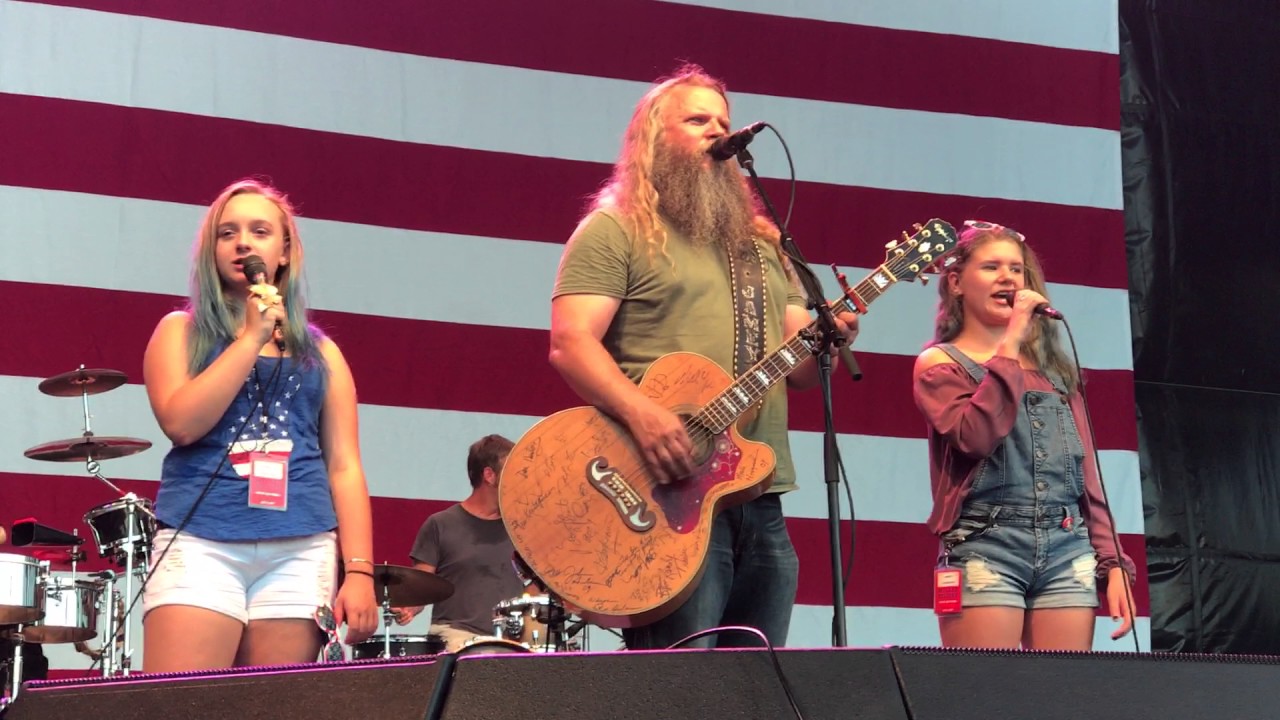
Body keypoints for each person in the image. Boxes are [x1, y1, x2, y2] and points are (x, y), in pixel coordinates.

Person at [547, 64, 858, 650]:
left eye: (724, 121)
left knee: (757, 689)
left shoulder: (765, 247)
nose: (718, 131)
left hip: (758, 496)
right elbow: (570, 343)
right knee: (683, 691)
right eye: (698, 120)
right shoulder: (617, 229)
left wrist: (830, 338)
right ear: (652, 138)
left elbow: (799, 372)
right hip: (661, 491)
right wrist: (644, 415)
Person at [140, 179, 377, 672]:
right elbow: (182, 424)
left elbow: (345, 466)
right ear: (212, 251)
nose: (243, 242)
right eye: (228, 233)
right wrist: (250, 338)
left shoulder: (323, 353)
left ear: (284, 251)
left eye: (260, 230)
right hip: (201, 539)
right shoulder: (178, 331)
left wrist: (359, 571)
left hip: (300, 546)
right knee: (180, 705)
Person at [912, 220, 1136, 650]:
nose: (1008, 278)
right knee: (988, 695)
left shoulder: (1054, 372)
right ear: (956, 283)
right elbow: (976, 436)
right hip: (986, 546)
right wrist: (1012, 340)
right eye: (992, 267)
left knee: (1060, 698)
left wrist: (1113, 564)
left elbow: (1086, 477)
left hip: (1067, 546)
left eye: (1016, 269)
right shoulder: (940, 364)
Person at [393, 434, 525, 651]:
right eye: (512, 470)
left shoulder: (522, 528)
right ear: (489, 475)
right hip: (455, 637)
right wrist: (408, 606)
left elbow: (537, 589)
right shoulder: (440, 524)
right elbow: (421, 586)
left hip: (512, 641)